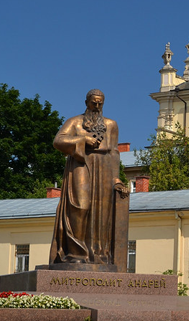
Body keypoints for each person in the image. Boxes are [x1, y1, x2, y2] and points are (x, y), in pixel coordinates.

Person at [49, 89, 127, 266]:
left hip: (105, 167)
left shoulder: (111, 124)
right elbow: (58, 141)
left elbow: (115, 153)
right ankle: (75, 254)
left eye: (100, 103)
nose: (97, 106)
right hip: (81, 163)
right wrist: (83, 139)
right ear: (86, 103)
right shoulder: (75, 122)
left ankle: (98, 254)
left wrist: (116, 179)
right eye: (94, 102)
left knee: (101, 212)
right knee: (80, 206)